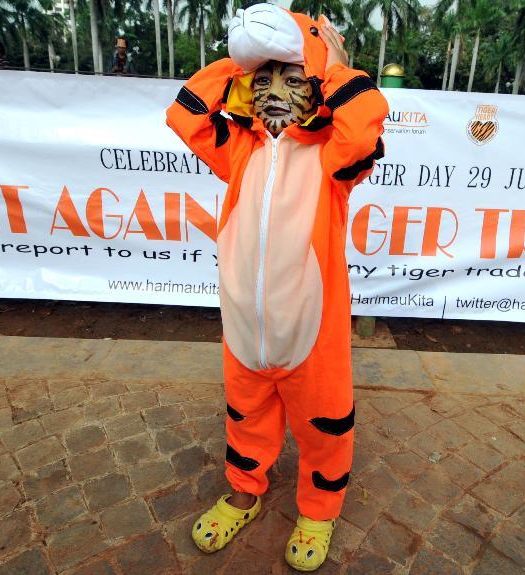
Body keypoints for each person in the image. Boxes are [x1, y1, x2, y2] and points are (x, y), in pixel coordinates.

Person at [166, 3, 387, 571]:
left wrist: (327, 60)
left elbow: (362, 124)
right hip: (244, 328)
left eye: (291, 79)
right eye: (263, 80)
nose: (274, 92)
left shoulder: (333, 159)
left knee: (325, 425)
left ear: (315, 86)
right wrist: (240, 65)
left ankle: (319, 508)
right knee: (245, 416)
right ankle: (244, 492)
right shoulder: (238, 149)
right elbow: (184, 116)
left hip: (311, 333)